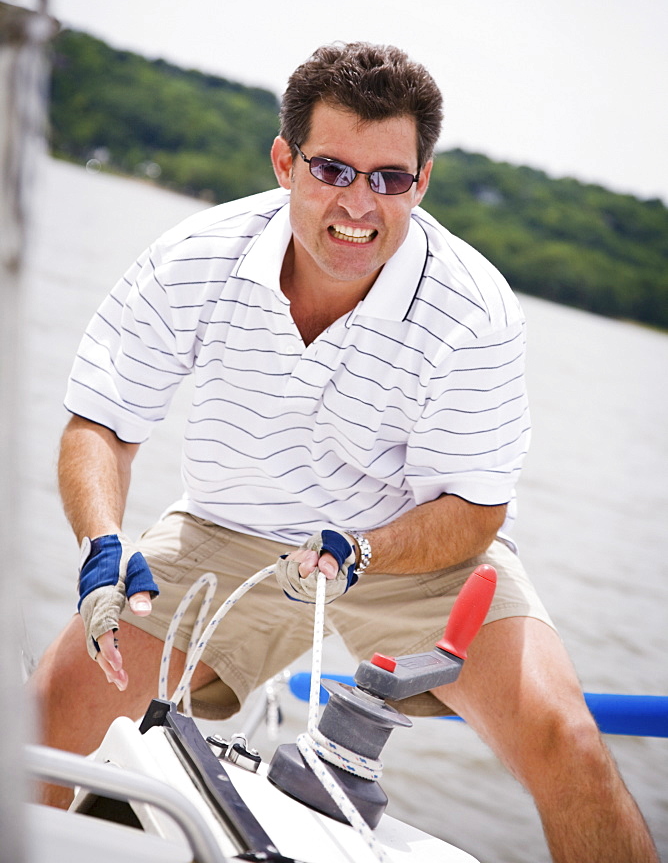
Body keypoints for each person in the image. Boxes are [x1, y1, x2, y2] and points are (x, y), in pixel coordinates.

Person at [32, 42, 657, 862]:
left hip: (416, 545)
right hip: (229, 527)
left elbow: (476, 508)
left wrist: (360, 549)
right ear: (285, 162)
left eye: (390, 178)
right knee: (55, 702)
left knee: (567, 741)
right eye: (332, 169)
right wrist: (102, 544)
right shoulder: (197, 255)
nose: (359, 204)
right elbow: (102, 425)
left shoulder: (476, 311)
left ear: (422, 181)